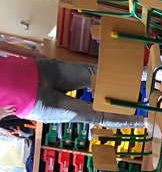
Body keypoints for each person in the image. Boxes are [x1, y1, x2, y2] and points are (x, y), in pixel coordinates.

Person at [0, 50, 144, 128]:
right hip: (34, 104)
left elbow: (5, 46)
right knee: (94, 114)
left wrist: (32, 54)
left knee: (99, 73)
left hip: (40, 68)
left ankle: (148, 74)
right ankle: (145, 122)